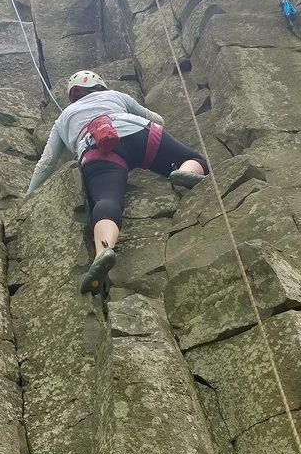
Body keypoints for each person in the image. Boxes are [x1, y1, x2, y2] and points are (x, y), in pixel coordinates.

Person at [26, 70, 208, 293]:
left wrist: (29, 196)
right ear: (99, 85)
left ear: (72, 95)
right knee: (194, 158)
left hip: (96, 149)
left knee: (107, 200)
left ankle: (104, 250)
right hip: (138, 132)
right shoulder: (117, 95)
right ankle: (185, 171)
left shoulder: (63, 118)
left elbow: (46, 164)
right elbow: (157, 119)